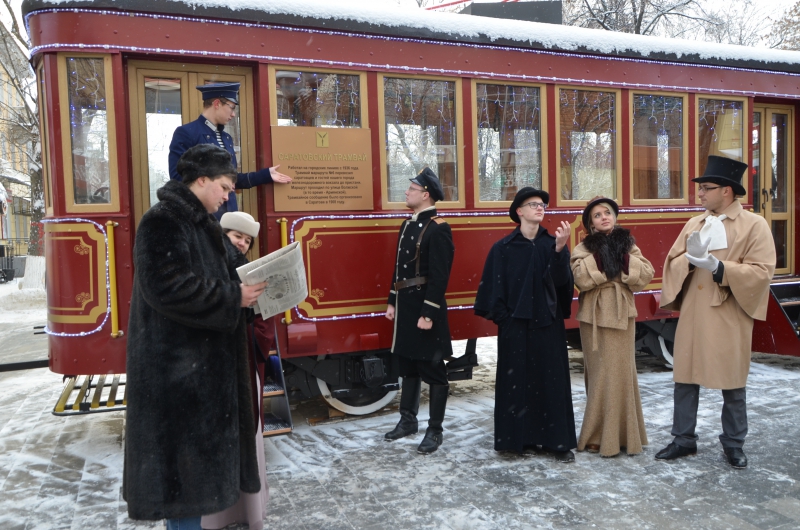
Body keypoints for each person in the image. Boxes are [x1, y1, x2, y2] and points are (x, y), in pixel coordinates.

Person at [123, 144, 267, 530]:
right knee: (181, 491)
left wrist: (253, 288)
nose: (227, 195)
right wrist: (232, 296)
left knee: (193, 489)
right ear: (200, 180)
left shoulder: (203, 225)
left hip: (196, 379)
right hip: (176, 380)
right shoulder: (163, 221)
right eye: (222, 186)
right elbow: (167, 287)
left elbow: (224, 277)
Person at [655, 155, 776, 469]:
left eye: (706, 188)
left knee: (732, 382)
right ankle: (683, 440)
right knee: (684, 378)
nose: (700, 194)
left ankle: (734, 444)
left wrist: (718, 267)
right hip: (694, 313)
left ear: (727, 191)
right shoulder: (695, 222)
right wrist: (690, 261)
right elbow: (672, 261)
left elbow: (762, 271)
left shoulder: (754, 224)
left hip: (728, 313)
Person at [474, 188, 577, 462]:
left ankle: (557, 443)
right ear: (519, 211)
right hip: (515, 327)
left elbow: (561, 285)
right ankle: (519, 440)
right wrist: (505, 319)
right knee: (516, 383)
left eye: (542, 204)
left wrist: (559, 250)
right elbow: (492, 289)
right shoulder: (503, 248)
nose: (540, 208)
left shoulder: (551, 244)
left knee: (551, 382)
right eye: (533, 204)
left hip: (548, 325)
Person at [201, 211, 271, 530]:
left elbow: (263, 325)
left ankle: (247, 511)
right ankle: (216, 516)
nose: (242, 243)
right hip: (216, 367)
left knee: (247, 436)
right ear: (222, 234)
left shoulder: (250, 272)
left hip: (244, 366)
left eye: (247, 240)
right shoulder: (206, 266)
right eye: (236, 236)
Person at [571, 196, 654, 457]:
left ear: (615, 217)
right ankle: (596, 434)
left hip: (621, 315)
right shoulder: (582, 248)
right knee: (600, 376)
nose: (604, 217)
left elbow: (646, 275)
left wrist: (624, 259)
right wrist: (602, 256)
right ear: (590, 223)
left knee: (621, 376)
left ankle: (625, 436)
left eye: (607, 212)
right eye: (597, 215)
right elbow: (581, 279)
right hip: (594, 317)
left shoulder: (629, 245)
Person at [384, 167, 455, 455]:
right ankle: (407, 421)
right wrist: (392, 300)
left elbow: (440, 276)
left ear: (425, 195)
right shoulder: (406, 225)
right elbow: (399, 267)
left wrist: (428, 313)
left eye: (411, 189)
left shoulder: (439, 228)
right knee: (409, 368)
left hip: (426, 308)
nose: (406, 192)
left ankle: (434, 431)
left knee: (434, 371)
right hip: (405, 305)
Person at [168, 82, 291, 220]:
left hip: (229, 216)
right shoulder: (186, 133)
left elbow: (230, 180)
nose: (233, 114)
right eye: (231, 107)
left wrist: (266, 175)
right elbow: (177, 177)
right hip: (203, 216)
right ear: (216, 104)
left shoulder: (226, 138)